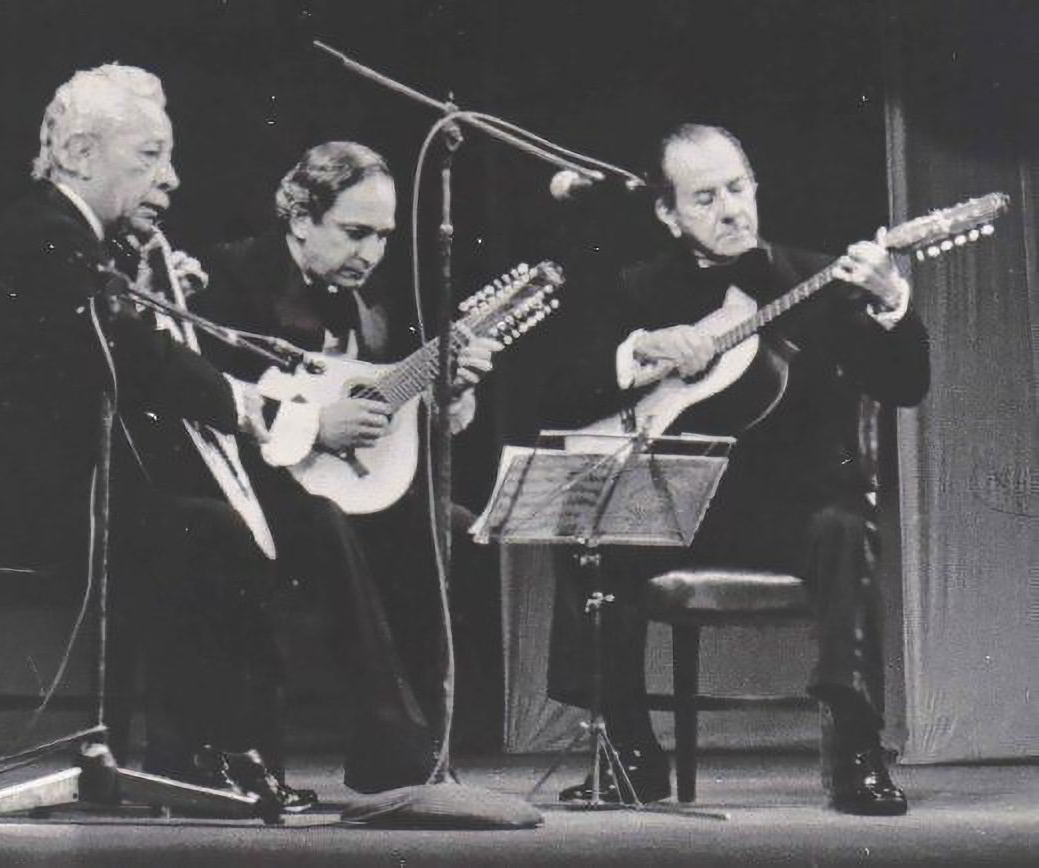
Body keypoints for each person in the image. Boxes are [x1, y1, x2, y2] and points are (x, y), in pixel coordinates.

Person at [0, 63, 305, 817]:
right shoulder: (44, 234)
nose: (172, 178)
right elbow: (125, 351)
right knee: (208, 528)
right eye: (150, 156)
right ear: (80, 153)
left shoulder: (66, 235)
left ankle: (204, 752)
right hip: (11, 509)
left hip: (46, 491)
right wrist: (235, 399)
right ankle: (211, 754)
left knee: (196, 521)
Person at [541, 123, 929, 815]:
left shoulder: (818, 279)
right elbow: (561, 392)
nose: (730, 210)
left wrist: (894, 301)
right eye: (704, 198)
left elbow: (906, 383)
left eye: (738, 188)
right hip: (682, 513)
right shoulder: (640, 289)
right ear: (667, 213)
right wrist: (641, 351)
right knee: (583, 526)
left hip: (793, 510)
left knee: (848, 525)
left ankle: (856, 751)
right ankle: (628, 752)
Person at [191, 141, 501, 795]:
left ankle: (413, 746)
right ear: (301, 218)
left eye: (383, 236)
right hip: (253, 489)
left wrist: (448, 397)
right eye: (355, 232)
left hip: (343, 495)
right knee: (323, 522)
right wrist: (312, 428)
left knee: (455, 527)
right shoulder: (234, 280)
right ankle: (393, 736)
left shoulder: (374, 305)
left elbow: (394, 422)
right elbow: (210, 403)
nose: (371, 252)